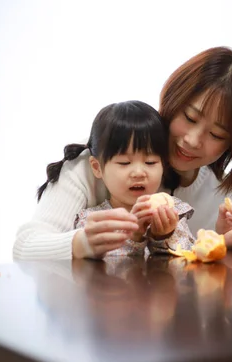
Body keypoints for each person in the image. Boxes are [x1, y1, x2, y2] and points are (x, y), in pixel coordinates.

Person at [13, 46, 232, 260]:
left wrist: (226, 244)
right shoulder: (96, 159)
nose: (192, 141)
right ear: (173, 99)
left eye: (216, 135)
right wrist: (82, 244)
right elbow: (25, 246)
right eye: (190, 117)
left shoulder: (218, 189)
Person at [70, 100, 195, 258]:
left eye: (150, 162)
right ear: (97, 167)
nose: (138, 173)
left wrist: (162, 237)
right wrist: (134, 237)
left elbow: (189, 256)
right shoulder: (94, 220)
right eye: (124, 163)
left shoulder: (172, 211)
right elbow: (102, 266)